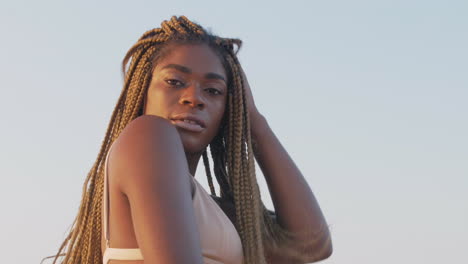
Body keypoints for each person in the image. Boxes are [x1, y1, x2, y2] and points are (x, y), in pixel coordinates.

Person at [46, 16, 332, 264]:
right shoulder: (148, 136)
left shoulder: (216, 215)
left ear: (229, 109)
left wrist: (254, 120)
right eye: (175, 82)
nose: (194, 98)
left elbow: (310, 245)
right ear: (143, 90)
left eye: (213, 91)